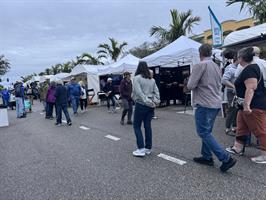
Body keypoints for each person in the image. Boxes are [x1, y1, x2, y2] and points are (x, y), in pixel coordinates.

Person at [187, 44, 236, 172]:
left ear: (200, 53)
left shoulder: (200, 65)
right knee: (207, 131)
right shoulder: (216, 66)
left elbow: (191, 85)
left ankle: (225, 158)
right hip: (215, 103)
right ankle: (207, 156)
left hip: (204, 103)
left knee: (203, 132)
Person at [226, 47, 266, 164]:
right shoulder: (250, 67)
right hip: (243, 105)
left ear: (241, 58)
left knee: (260, 130)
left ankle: (264, 155)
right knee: (241, 127)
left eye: (238, 57)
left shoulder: (250, 69)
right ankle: (237, 148)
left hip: (254, 105)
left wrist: (247, 105)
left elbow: (251, 88)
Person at [132, 61, 160, 157]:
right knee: (147, 126)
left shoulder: (137, 78)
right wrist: (155, 101)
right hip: (150, 106)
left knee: (136, 126)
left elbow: (139, 93)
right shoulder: (152, 80)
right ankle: (148, 148)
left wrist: (147, 101)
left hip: (141, 104)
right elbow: (157, 92)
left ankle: (141, 149)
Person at [222, 50, 239, 135]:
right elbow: (224, 80)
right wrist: (233, 86)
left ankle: (235, 127)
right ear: (237, 59)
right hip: (231, 92)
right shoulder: (230, 68)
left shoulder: (239, 68)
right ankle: (228, 127)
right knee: (232, 110)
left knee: (237, 110)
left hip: (238, 92)